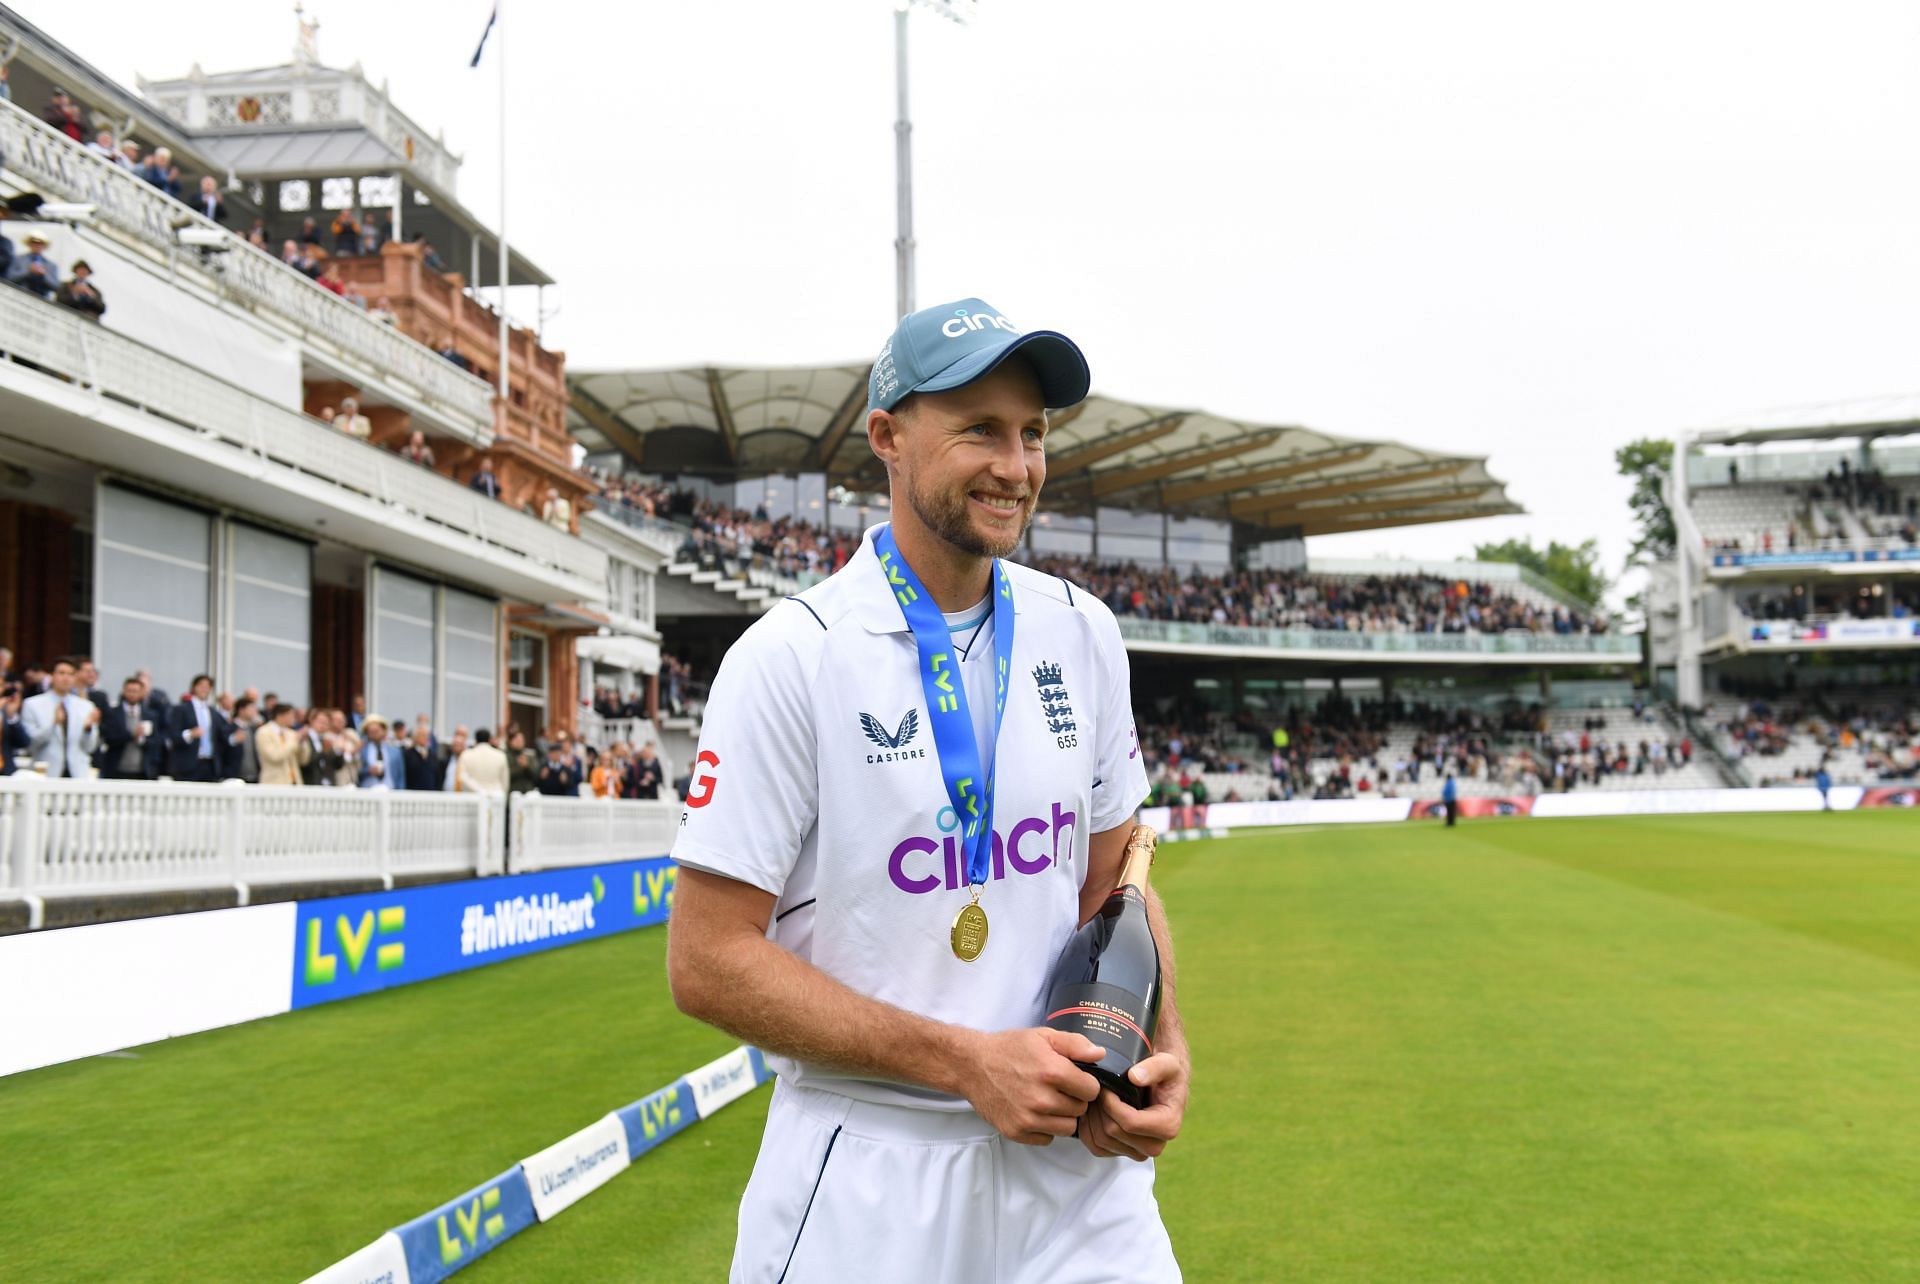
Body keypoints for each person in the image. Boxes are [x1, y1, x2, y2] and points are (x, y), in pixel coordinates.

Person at [666, 298, 1182, 1281]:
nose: (1017, 463)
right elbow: (707, 959)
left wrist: (1165, 1047)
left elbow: (1117, 886)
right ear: (888, 438)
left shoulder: (1083, 632)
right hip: (871, 1172)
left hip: (1074, 1173)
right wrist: (965, 1062)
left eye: (1031, 433)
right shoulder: (792, 659)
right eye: (980, 428)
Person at [20, 657, 102, 778]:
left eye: (70, 674)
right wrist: (53, 724)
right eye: (61, 673)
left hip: (77, 773)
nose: (66, 678)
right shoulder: (33, 704)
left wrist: (88, 729)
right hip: (46, 773)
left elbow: (89, 747)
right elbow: (30, 744)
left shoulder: (86, 706)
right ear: (52, 676)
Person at [166, 674, 228, 782]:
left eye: (208, 687)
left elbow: (221, 735)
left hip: (209, 765)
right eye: (201, 686)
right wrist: (190, 734)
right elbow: (173, 735)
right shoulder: (181, 709)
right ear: (194, 687)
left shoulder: (213, 712)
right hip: (188, 765)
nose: (204, 689)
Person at [99, 674, 159, 779]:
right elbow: (109, 738)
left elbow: (155, 742)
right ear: (124, 691)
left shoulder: (150, 715)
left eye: (135, 691)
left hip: (142, 771)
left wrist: (142, 739)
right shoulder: (113, 713)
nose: (132, 694)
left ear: (141, 693)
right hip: (117, 770)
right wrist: (131, 735)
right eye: (129, 690)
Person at [256, 702, 308, 786]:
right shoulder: (263, 732)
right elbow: (275, 756)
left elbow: (303, 760)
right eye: (291, 716)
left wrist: (302, 743)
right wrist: (295, 741)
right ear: (280, 715)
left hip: (294, 783)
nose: (293, 719)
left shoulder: (291, 733)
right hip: (274, 783)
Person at [356, 715, 406, 789]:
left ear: (384, 731)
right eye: (371, 732)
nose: (374, 734)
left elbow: (400, 776)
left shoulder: (395, 751)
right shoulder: (362, 750)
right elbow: (356, 772)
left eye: (377, 731)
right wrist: (368, 771)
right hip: (367, 792)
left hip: (390, 791)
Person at [458, 727, 510, 795]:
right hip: (495, 797)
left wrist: (479, 791)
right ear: (489, 740)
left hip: (474, 798)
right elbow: (505, 782)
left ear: (475, 740)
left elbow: (463, 778)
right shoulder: (501, 755)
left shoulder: (466, 755)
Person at [10, 234, 57, 300]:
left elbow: (55, 286)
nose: (36, 246)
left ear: (44, 246)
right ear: (29, 244)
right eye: (34, 243)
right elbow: (9, 277)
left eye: (40, 244)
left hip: (41, 300)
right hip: (20, 296)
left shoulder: (51, 265)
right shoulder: (18, 259)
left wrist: (44, 275)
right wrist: (28, 271)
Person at [506, 727, 540, 794]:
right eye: (517, 740)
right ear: (510, 742)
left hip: (528, 793)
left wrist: (527, 767)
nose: (520, 742)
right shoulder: (506, 756)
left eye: (522, 740)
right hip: (512, 792)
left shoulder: (530, 755)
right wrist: (519, 767)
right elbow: (506, 775)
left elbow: (536, 776)